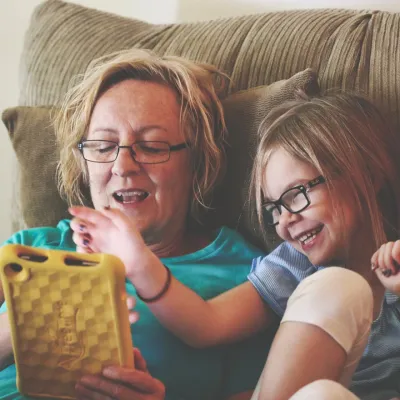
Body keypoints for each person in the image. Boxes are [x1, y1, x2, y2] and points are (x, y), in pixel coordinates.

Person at [70, 92, 400, 400]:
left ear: (367, 175)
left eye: (297, 195)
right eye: (274, 209)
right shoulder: (294, 266)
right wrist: (139, 261)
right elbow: (206, 324)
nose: (284, 222)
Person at [0, 49, 272, 400]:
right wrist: (20, 328)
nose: (123, 165)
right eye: (103, 145)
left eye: (151, 145)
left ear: (198, 161)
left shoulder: (245, 277)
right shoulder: (30, 250)